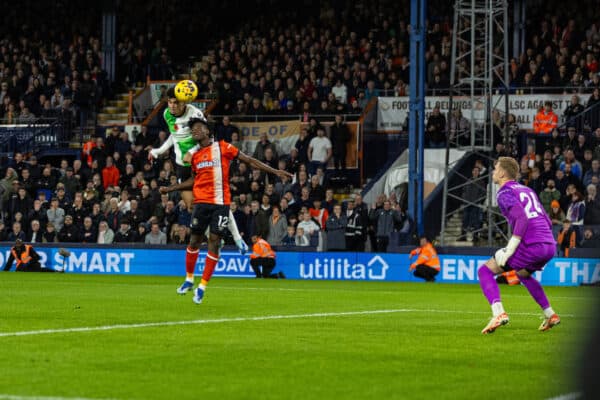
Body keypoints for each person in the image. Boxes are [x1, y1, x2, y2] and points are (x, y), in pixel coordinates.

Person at [160, 116, 292, 303]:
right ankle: (189, 279)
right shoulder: (196, 156)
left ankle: (202, 287)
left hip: (220, 205)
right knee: (194, 240)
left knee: (214, 242)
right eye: (193, 129)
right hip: (201, 204)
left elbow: (249, 160)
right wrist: (170, 188)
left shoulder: (223, 147)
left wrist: (274, 171)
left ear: (208, 130)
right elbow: (193, 181)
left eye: (198, 127)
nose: (195, 130)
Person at [149, 87, 249, 257]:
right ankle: (214, 235)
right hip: (182, 165)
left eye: (176, 102)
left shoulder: (195, 114)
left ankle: (238, 238)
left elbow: (206, 137)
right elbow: (175, 135)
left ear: (184, 101)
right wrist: (158, 150)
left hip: (201, 162)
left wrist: (194, 150)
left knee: (217, 202)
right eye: (170, 102)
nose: (172, 106)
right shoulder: (167, 114)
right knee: (191, 206)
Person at [479, 157, 560, 334]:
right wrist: (544, 246)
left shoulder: (504, 192)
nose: (493, 172)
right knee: (523, 274)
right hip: (548, 244)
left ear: (501, 173)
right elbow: (547, 221)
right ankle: (550, 314)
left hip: (532, 244)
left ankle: (498, 314)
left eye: (495, 169)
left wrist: (510, 249)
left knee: (484, 271)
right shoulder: (527, 190)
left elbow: (522, 218)